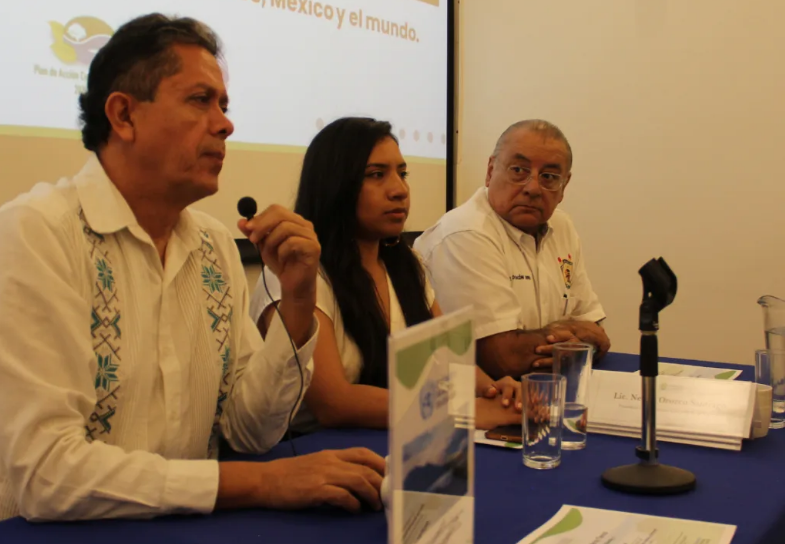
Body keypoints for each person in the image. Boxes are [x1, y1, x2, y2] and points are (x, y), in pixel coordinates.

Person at [0, 14, 384, 521]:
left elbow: (251, 429)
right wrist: (265, 480)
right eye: (200, 100)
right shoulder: (38, 232)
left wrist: (295, 304)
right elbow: (46, 475)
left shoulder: (212, 244)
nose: (225, 123)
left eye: (224, 105)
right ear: (123, 115)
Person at [250, 117, 521, 434]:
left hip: (395, 438)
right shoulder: (294, 272)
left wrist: (495, 392)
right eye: (376, 175)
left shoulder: (408, 264)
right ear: (336, 184)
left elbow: (449, 360)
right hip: (310, 452)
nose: (399, 190)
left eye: (402, 174)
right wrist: (462, 410)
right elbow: (334, 403)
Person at [415, 120, 610, 380]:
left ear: (565, 186)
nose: (532, 188)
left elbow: (596, 333)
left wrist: (550, 340)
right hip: (467, 401)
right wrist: (572, 335)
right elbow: (502, 360)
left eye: (549, 177)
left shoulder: (561, 226)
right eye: (518, 170)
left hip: (542, 394)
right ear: (490, 171)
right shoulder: (465, 232)